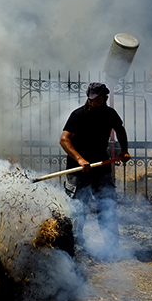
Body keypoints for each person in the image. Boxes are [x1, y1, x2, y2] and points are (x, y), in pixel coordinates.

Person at [60, 82, 129, 257]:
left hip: (101, 166)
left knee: (107, 206)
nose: (93, 103)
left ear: (105, 97)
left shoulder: (110, 114)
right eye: (90, 99)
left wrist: (124, 150)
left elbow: (120, 131)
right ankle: (74, 246)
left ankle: (112, 247)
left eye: (97, 100)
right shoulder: (78, 115)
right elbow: (64, 139)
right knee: (77, 208)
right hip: (78, 169)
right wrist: (80, 159)